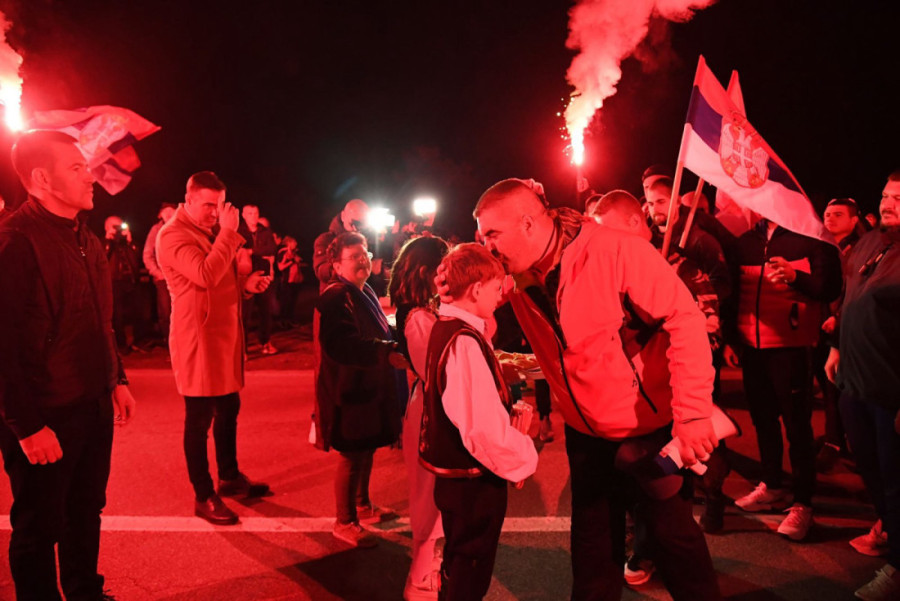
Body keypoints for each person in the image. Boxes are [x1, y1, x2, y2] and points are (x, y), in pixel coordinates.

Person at [473, 178, 721, 601]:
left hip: (647, 431)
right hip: (586, 434)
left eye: (492, 235)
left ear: (529, 224)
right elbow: (469, 300)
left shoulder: (617, 251)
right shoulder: (516, 271)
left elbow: (686, 320)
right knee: (592, 552)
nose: (486, 246)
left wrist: (694, 414)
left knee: (673, 542)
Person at [0, 129, 137, 601]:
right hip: (46, 414)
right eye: (77, 168)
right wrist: (26, 424)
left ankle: (85, 592)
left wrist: (116, 377)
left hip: (93, 402)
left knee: (86, 509)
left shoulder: (86, 237)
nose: (90, 176)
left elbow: (101, 320)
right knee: (40, 525)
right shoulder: (15, 242)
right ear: (41, 178)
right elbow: (3, 347)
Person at [420, 243, 538, 601]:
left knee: (460, 563)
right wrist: (522, 456)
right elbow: (481, 429)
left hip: (459, 478)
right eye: (494, 287)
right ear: (474, 289)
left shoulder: (451, 327)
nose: (499, 295)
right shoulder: (464, 341)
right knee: (470, 569)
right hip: (471, 482)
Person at [156, 171, 272, 526]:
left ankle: (229, 476)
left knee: (229, 407)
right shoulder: (173, 235)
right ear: (187, 200)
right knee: (199, 419)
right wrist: (227, 233)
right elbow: (204, 274)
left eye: (220, 205)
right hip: (198, 340)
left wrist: (245, 283)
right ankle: (203, 494)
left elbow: (219, 277)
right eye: (208, 205)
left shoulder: (203, 231)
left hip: (220, 338)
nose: (215, 212)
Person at [725, 216, 842, 541]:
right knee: (763, 421)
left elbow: (829, 288)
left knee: (797, 426)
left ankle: (803, 503)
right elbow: (735, 293)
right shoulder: (746, 241)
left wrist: (795, 276)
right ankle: (771, 485)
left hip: (791, 347)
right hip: (751, 347)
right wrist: (733, 339)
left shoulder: (811, 238)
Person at [825, 170, 900, 600]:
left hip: (892, 394)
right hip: (855, 384)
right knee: (873, 475)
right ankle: (889, 529)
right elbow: (852, 294)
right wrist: (837, 347)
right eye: (886, 195)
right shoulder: (873, 241)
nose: (889, 203)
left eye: (898, 197)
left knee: (898, 480)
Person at [316, 232, 408, 548]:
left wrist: (400, 336)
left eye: (365, 252)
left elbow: (380, 328)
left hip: (367, 387)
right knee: (352, 455)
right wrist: (385, 351)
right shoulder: (335, 297)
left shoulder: (362, 290)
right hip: (348, 391)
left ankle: (363, 505)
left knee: (365, 449)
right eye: (354, 256)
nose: (363, 259)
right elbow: (341, 345)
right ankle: (344, 521)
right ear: (337, 264)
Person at [388, 235, 451, 600]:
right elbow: (437, 372)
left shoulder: (425, 313)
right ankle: (419, 576)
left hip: (429, 406)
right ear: (427, 272)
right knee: (427, 495)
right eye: (443, 270)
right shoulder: (418, 319)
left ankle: (429, 564)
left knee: (435, 493)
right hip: (429, 410)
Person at [814, 198, 862, 471]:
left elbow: (853, 291)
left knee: (839, 387)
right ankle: (836, 437)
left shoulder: (857, 250)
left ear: (854, 221)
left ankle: (837, 441)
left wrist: (839, 317)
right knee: (829, 385)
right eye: (828, 213)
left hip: (844, 329)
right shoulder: (827, 248)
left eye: (838, 214)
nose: (830, 218)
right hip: (823, 326)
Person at [239, 204, 279, 354]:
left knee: (266, 311)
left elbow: (272, 249)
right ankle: (242, 347)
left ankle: (265, 342)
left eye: (255, 213)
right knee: (244, 314)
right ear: (243, 215)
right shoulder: (239, 231)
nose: (253, 216)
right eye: (249, 213)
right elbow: (236, 249)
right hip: (245, 277)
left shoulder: (265, 231)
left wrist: (251, 251)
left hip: (263, 274)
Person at [103, 215, 141, 351]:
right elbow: (102, 259)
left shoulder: (127, 243)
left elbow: (136, 257)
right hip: (114, 282)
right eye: (114, 227)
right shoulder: (103, 243)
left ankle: (138, 342)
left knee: (136, 312)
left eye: (120, 226)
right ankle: (121, 344)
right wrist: (108, 241)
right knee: (117, 314)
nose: (118, 229)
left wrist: (130, 241)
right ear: (107, 228)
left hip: (130, 280)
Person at [143, 202, 177, 346]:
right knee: (165, 312)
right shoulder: (156, 230)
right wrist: (156, 272)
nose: (168, 213)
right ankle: (170, 343)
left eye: (171, 210)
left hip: (182, 277)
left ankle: (184, 343)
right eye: (165, 211)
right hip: (163, 278)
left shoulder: (183, 228)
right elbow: (147, 253)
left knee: (184, 312)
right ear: (160, 214)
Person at [275, 235, 305, 325]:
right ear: (289, 243)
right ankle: (283, 321)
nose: (296, 243)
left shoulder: (293, 252)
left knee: (292, 301)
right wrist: (293, 261)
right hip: (287, 281)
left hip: (294, 281)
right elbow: (280, 267)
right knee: (286, 302)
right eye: (294, 242)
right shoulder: (283, 252)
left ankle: (290, 319)